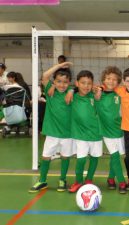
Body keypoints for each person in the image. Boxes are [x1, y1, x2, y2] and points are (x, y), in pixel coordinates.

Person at [28, 62, 73, 193]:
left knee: (65, 157)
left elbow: (84, 89)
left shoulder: (71, 94)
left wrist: (72, 90)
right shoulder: (50, 92)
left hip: (67, 133)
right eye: (58, 81)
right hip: (52, 133)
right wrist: (60, 65)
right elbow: (45, 76)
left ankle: (62, 179)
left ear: (69, 82)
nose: (62, 84)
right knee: (46, 157)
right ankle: (42, 180)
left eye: (65, 82)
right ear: (54, 82)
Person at [68, 70, 103, 193]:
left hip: (96, 133)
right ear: (77, 83)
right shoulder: (73, 96)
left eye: (89, 83)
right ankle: (78, 181)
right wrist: (71, 90)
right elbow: (62, 88)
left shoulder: (95, 96)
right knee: (81, 159)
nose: (86, 86)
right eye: (83, 83)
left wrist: (99, 90)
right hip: (81, 134)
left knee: (94, 157)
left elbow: (105, 89)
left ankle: (89, 179)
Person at [95, 66, 127, 194]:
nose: (111, 81)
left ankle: (110, 178)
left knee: (118, 155)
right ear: (103, 79)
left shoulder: (119, 93)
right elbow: (92, 93)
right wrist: (100, 89)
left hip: (120, 129)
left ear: (118, 82)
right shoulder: (98, 93)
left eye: (114, 79)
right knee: (114, 155)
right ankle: (122, 181)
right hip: (106, 130)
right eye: (108, 78)